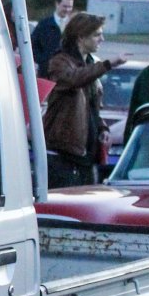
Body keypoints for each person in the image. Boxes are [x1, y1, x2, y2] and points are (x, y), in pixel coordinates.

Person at [42, 12, 126, 188]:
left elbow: (91, 106)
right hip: (63, 155)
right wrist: (107, 64)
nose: (101, 39)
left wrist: (102, 127)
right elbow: (74, 79)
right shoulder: (59, 62)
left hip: (87, 155)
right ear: (81, 37)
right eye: (97, 34)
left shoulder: (90, 63)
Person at [30, 0, 75, 73]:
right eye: (65, 6)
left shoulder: (74, 24)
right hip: (46, 71)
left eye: (70, 7)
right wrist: (42, 60)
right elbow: (33, 44)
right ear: (57, 4)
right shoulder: (44, 24)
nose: (67, 9)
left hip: (69, 71)